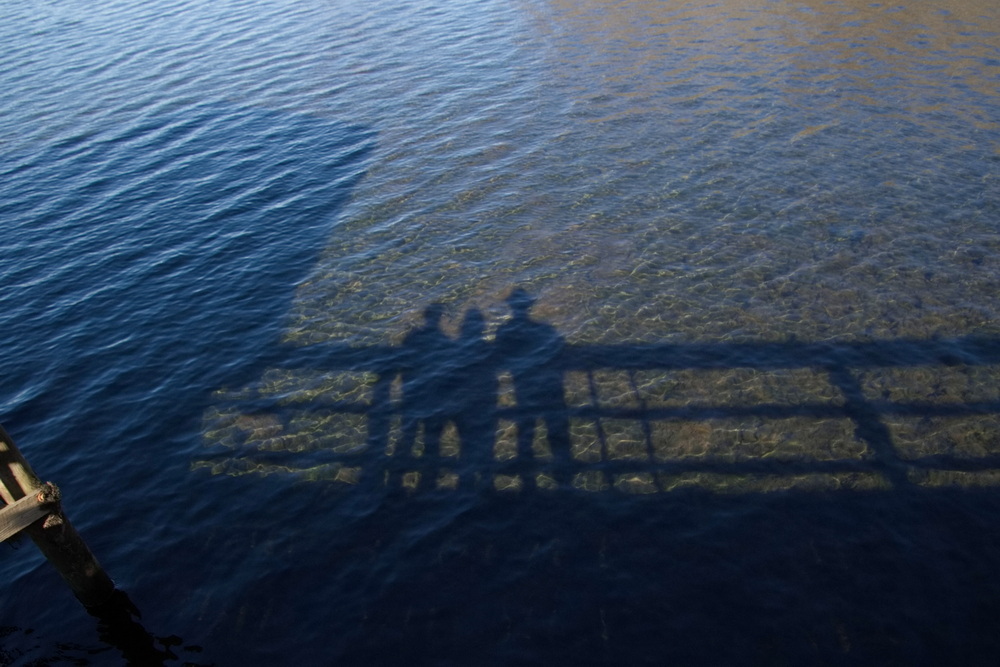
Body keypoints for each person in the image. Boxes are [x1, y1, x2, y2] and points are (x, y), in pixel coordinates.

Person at [494, 288, 571, 484]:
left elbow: (500, 359)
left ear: (510, 307)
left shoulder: (503, 331)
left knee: (525, 432)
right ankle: (564, 480)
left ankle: (527, 480)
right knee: (556, 431)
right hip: (550, 386)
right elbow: (559, 350)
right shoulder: (545, 329)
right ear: (530, 305)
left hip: (523, 387)